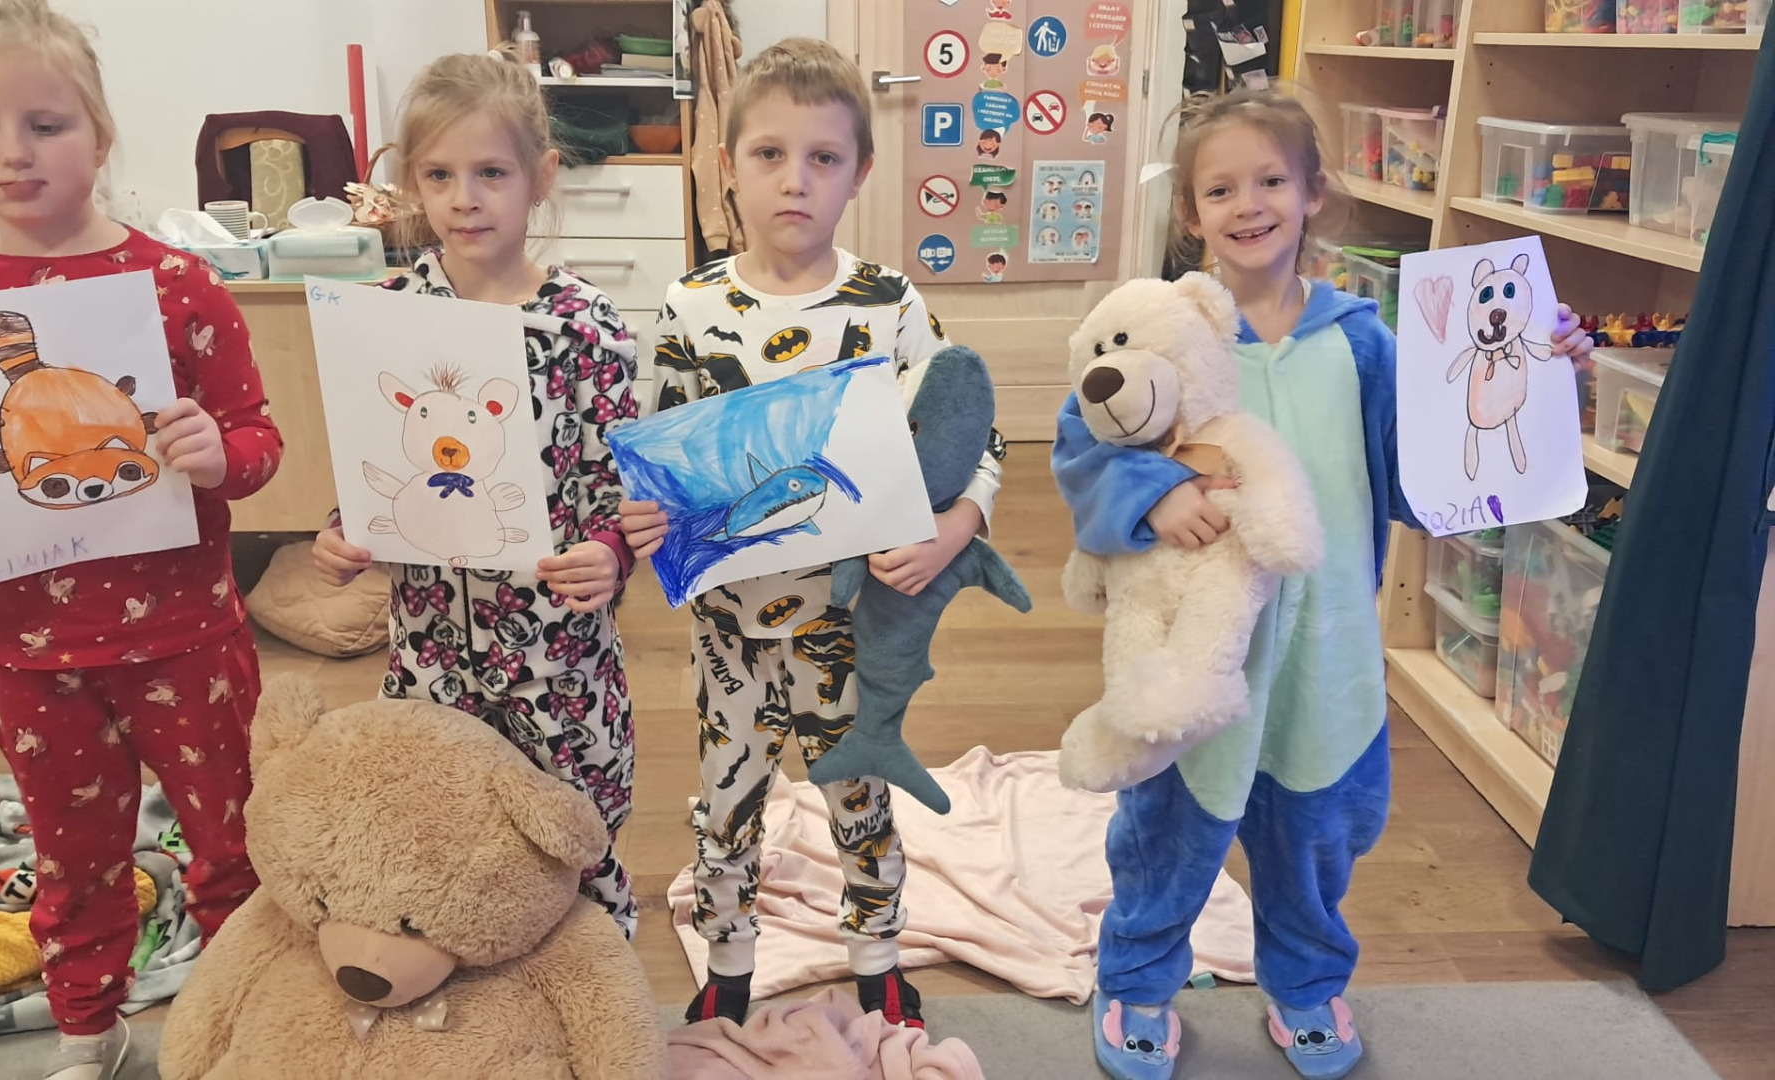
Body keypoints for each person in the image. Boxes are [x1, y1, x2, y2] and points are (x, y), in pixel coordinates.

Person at [1052, 87, 1594, 1080]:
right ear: (1192, 213)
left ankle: (1305, 983)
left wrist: (1540, 371)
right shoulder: (1160, 331)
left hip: (1325, 652)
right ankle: (1137, 980)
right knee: (1168, 834)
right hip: (1196, 651)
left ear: (1312, 194)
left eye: (1270, 181)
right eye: (1221, 188)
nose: (1247, 204)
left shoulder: (1367, 344)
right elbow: (1083, 442)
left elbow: (1432, 479)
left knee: (1314, 840)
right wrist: (1151, 497)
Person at [0, 3, 286, 1076]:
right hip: (27, 650)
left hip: (185, 636)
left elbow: (258, 441)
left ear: (100, 135)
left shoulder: (179, 285)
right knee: (72, 857)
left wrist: (217, 453)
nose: (13, 152)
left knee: (232, 843)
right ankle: (90, 1030)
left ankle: (239, 1026)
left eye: (46, 124)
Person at [619, 37, 1004, 1030]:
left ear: (859, 172)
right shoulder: (691, 307)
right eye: (770, 155)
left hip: (852, 628)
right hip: (729, 633)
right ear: (726, 167)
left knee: (860, 795)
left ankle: (878, 955)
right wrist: (643, 518)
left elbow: (974, 429)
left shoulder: (889, 305)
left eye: (823, 158)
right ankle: (730, 961)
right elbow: (651, 455)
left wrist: (958, 524)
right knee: (727, 802)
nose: (795, 180)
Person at [310, 50, 641, 938]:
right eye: (439, 176)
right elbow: (375, 458)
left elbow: (618, 486)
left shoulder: (585, 327)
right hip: (430, 649)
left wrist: (611, 555)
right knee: (441, 826)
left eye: (491, 173)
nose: (464, 199)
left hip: (555, 653)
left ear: (541, 177)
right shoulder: (386, 311)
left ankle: (592, 962)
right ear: (412, 182)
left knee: (574, 826)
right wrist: (343, 532)